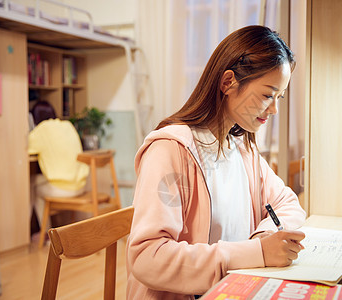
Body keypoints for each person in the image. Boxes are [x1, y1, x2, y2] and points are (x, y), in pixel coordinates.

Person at [126, 25, 306, 299]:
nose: (274, 109)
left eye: (279, 97)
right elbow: (147, 257)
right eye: (268, 95)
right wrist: (255, 253)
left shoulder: (241, 149)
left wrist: (263, 240)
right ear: (228, 82)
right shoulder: (171, 150)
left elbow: (288, 203)